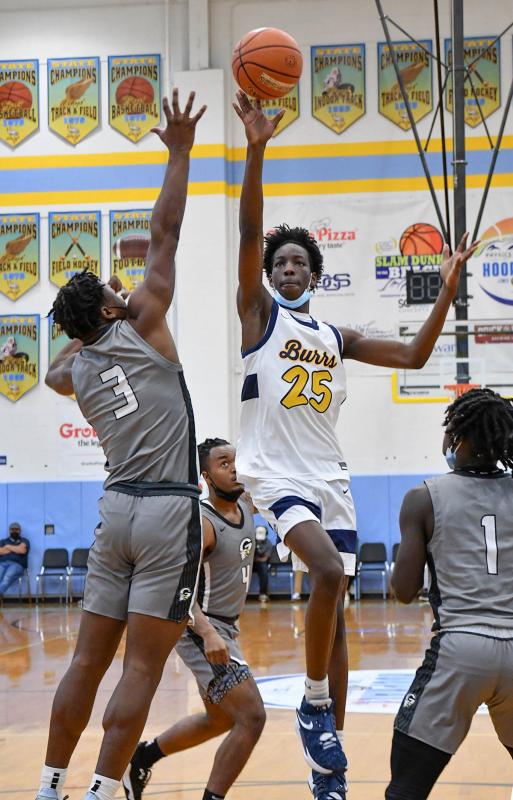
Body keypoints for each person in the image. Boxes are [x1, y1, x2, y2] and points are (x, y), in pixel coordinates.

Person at [232, 89, 478, 799]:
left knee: (334, 623)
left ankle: (326, 771)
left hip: (328, 476)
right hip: (274, 471)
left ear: (313, 273)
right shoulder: (258, 319)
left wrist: (447, 289)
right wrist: (254, 148)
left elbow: (411, 359)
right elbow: (249, 231)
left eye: (296, 263)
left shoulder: (334, 337)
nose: (285, 268)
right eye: (277, 262)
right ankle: (311, 703)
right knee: (329, 576)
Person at [37, 89, 206, 800]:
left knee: (85, 661)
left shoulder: (75, 367)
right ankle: (106, 790)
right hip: (168, 510)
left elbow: (51, 370)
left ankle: (49, 785)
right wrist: (178, 150)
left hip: (113, 512)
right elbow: (163, 233)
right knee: (141, 669)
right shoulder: (142, 321)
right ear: (113, 308)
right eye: (111, 288)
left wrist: (81, 330)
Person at [386, 388, 513, 800]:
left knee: (407, 788)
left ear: (455, 437)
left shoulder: (424, 497)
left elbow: (404, 592)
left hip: (461, 648)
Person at [123, 438, 265, 800]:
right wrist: (207, 634)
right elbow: (176, 585)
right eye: (223, 462)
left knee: (220, 719)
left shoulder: (247, 504)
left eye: (236, 460)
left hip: (226, 627)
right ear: (206, 475)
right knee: (251, 716)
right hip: (200, 629)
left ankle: (142, 757)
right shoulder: (202, 524)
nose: (233, 467)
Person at [0, 522, 30, 598]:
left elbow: (22, 550)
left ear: (20, 531)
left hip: (17, 564)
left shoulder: (24, 540)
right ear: (9, 531)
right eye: (12, 529)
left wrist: (7, 547)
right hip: (2, 563)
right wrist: (16, 548)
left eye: (16, 529)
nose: (14, 531)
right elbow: (0, 551)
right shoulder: (3, 541)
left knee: (7, 577)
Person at [253, 523, 273, 602]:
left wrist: (256, 559)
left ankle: (263, 594)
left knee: (264, 568)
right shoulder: (251, 541)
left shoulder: (268, 543)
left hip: (260, 563)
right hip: (250, 563)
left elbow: (265, 558)